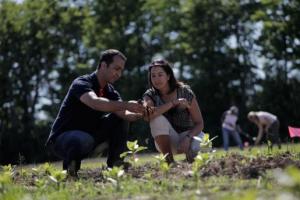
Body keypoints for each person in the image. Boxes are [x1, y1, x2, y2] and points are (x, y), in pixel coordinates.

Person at [45, 49, 145, 177]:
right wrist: (127, 104)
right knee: (81, 138)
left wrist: (139, 112)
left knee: (119, 118)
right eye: (116, 68)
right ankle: (70, 171)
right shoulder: (82, 83)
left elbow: (123, 114)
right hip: (62, 139)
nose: (119, 74)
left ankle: (115, 166)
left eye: (121, 70)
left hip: (89, 137)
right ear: (103, 65)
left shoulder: (110, 91)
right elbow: (95, 102)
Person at [142, 59, 205, 164]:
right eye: (153, 76)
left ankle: (189, 161)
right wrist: (173, 103)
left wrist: (188, 138)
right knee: (156, 118)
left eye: (160, 74)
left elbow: (199, 123)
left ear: (168, 76)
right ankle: (170, 162)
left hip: (189, 136)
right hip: (168, 141)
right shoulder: (150, 95)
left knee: (200, 149)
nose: (156, 79)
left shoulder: (185, 92)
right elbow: (147, 116)